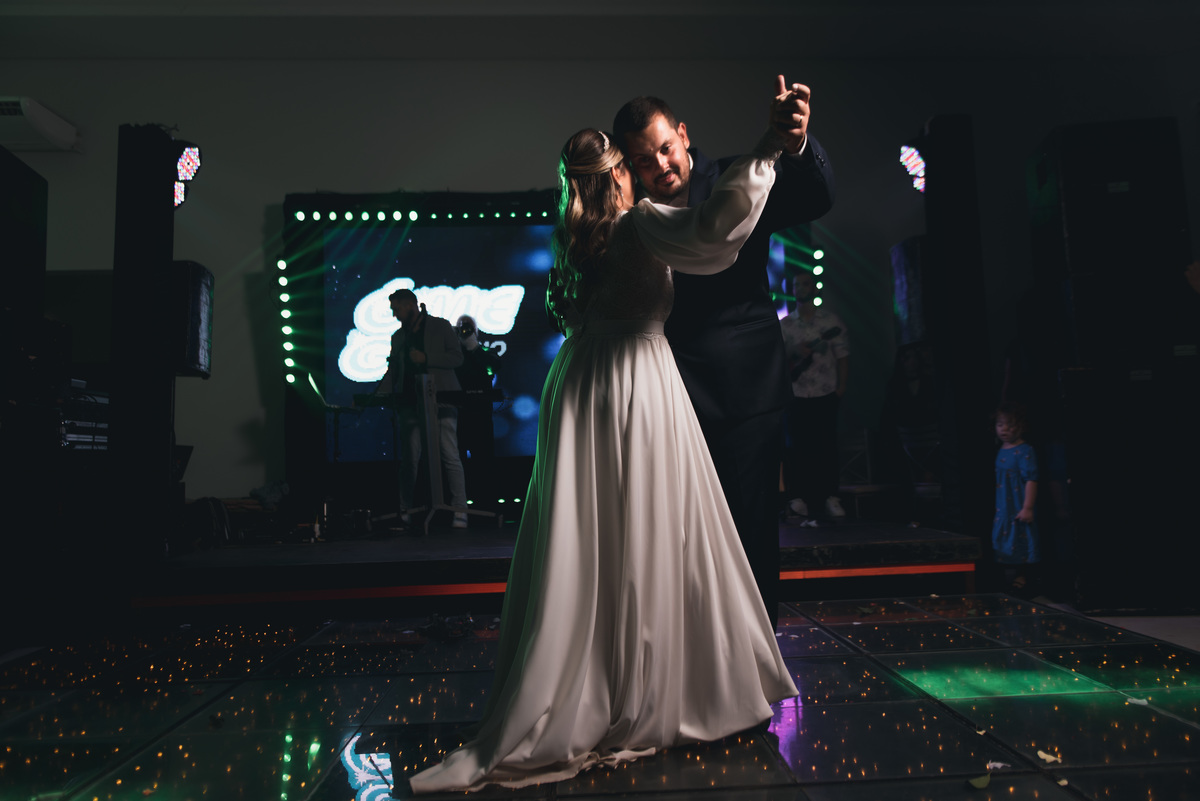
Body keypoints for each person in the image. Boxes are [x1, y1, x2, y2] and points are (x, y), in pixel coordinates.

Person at [408, 80, 801, 794]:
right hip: (634, 382)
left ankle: (590, 677)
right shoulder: (641, 223)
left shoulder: (573, 240)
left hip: (579, 386)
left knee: (590, 539)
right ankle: (650, 688)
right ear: (619, 173)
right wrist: (769, 149)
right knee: (645, 534)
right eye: (632, 164)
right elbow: (716, 230)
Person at [613, 80, 834, 628]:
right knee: (676, 535)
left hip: (743, 390)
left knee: (749, 529)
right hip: (665, 395)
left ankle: (756, 654)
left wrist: (796, 142)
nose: (660, 166)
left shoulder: (740, 175)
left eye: (665, 148)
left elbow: (816, 198)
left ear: (683, 135)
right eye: (643, 160)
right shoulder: (630, 213)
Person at [377, 288, 468, 529]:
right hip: (410, 403)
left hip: (442, 400)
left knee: (449, 454)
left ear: (410, 305)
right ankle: (405, 509)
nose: (394, 314)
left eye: (396, 309)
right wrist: (375, 396)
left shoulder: (441, 326)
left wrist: (426, 358)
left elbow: (457, 358)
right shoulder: (398, 337)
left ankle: (460, 510)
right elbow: (393, 372)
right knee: (409, 459)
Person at [780, 270, 849, 521]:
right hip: (797, 393)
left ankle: (830, 496)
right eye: (796, 284)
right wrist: (794, 352)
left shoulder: (830, 321)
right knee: (797, 447)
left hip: (825, 391)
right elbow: (777, 360)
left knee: (826, 445)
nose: (801, 288)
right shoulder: (785, 325)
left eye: (805, 283)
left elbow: (843, 357)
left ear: (814, 287)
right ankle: (798, 498)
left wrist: (840, 387)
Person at [991, 401, 1040, 594]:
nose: (1004, 429)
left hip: (1017, 504)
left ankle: (1023, 577)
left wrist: (1028, 507)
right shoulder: (1001, 448)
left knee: (1020, 539)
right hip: (1003, 505)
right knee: (1004, 539)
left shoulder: (1025, 451)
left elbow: (1031, 479)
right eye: (1000, 424)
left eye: (1010, 425)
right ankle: (1007, 578)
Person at [454, 314, 502, 511]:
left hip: (481, 416)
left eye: (469, 327)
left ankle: (486, 507)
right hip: (458, 416)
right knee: (456, 462)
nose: (465, 331)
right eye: (461, 327)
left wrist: (474, 348)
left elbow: (495, 365)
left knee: (484, 462)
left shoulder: (484, 352)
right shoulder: (453, 356)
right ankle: (460, 506)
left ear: (476, 331)